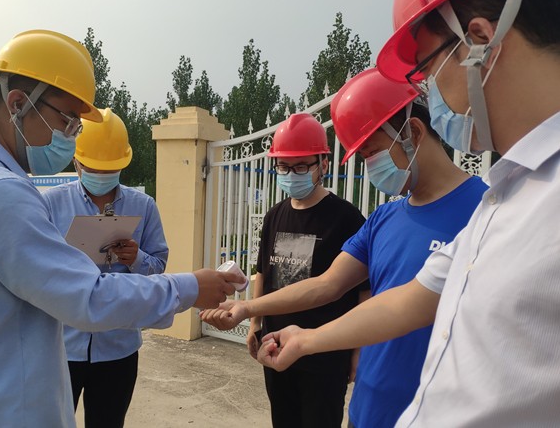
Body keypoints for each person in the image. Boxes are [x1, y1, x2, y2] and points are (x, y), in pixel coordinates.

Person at [257, 0, 560, 426]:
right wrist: (306, 338)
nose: (429, 96)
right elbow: (409, 300)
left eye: (427, 72)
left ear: (479, 41)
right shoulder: (506, 196)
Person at [0, 29, 242, 427]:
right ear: (18, 104)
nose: (71, 136)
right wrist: (190, 287)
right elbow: (89, 298)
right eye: (67, 120)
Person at [202, 68, 488, 427]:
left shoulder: (486, 212)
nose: (370, 167)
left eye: (372, 153)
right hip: (368, 410)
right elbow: (327, 284)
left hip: (440, 414)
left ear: (413, 133)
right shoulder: (383, 219)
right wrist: (248, 308)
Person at [215, 113, 367, 428]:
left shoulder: (346, 219)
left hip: (325, 354)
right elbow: (263, 273)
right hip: (275, 348)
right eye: (283, 167)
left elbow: (363, 291)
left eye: (300, 167)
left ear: (323, 164)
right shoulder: (274, 216)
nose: (290, 175)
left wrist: (357, 350)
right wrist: (255, 324)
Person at [42, 110, 166, 428]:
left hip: (118, 345)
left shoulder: (143, 207)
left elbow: (158, 269)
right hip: (61, 347)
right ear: (76, 162)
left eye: (109, 169)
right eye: (93, 168)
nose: (100, 175)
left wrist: (136, 258)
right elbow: (34, 268)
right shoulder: (51, 204)